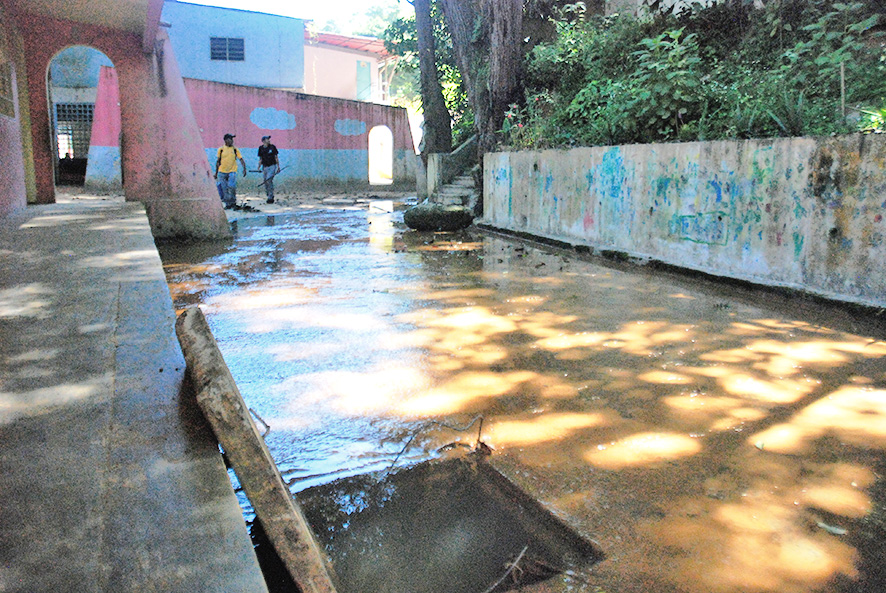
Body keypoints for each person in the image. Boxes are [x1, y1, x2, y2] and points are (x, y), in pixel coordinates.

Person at [214, 133, 247, 209]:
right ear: (226, 140)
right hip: (222, 171)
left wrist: (244, 169)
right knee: (224, 188)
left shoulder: (235, 149)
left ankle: (233, 202)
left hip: (232, 171)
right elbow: (218, 162)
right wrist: (216, 173)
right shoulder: (221, 149)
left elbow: (241, 159)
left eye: (232, 139)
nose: (232, 141)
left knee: (231, 186)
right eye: (230, 139)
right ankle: (228, 204)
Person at [257, 135, 280, 204]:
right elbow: (260, 159)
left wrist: (278, 167)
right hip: (265, 167)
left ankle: (270, 197)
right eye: (267, 139)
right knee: (265, 181)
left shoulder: (272, 147)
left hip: (272, 166)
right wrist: (258, 167)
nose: (269, 140)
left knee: (268, 179)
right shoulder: (261, 148)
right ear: (263, 141)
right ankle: (268, 194)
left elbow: (276, 157)